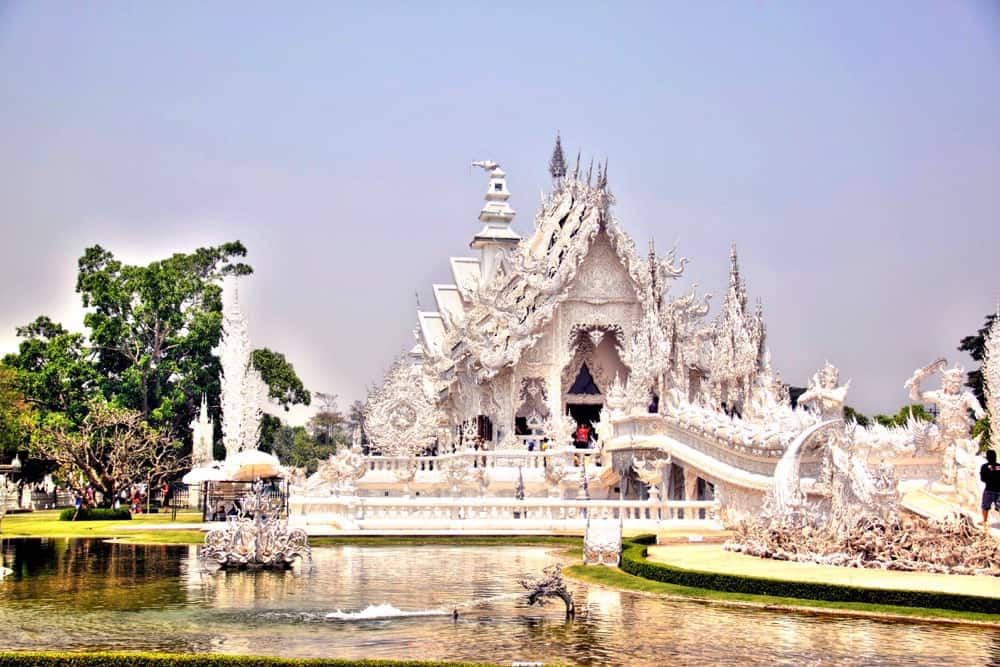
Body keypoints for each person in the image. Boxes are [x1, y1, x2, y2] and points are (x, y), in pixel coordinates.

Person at [981, 450, 1000, 528]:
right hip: (999, 489)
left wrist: (989, 479)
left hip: (989, 489)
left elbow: (982, 478)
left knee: (985, 506)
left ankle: (985, 521)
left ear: (987, 457)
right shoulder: (999, 466)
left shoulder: (984, 467)